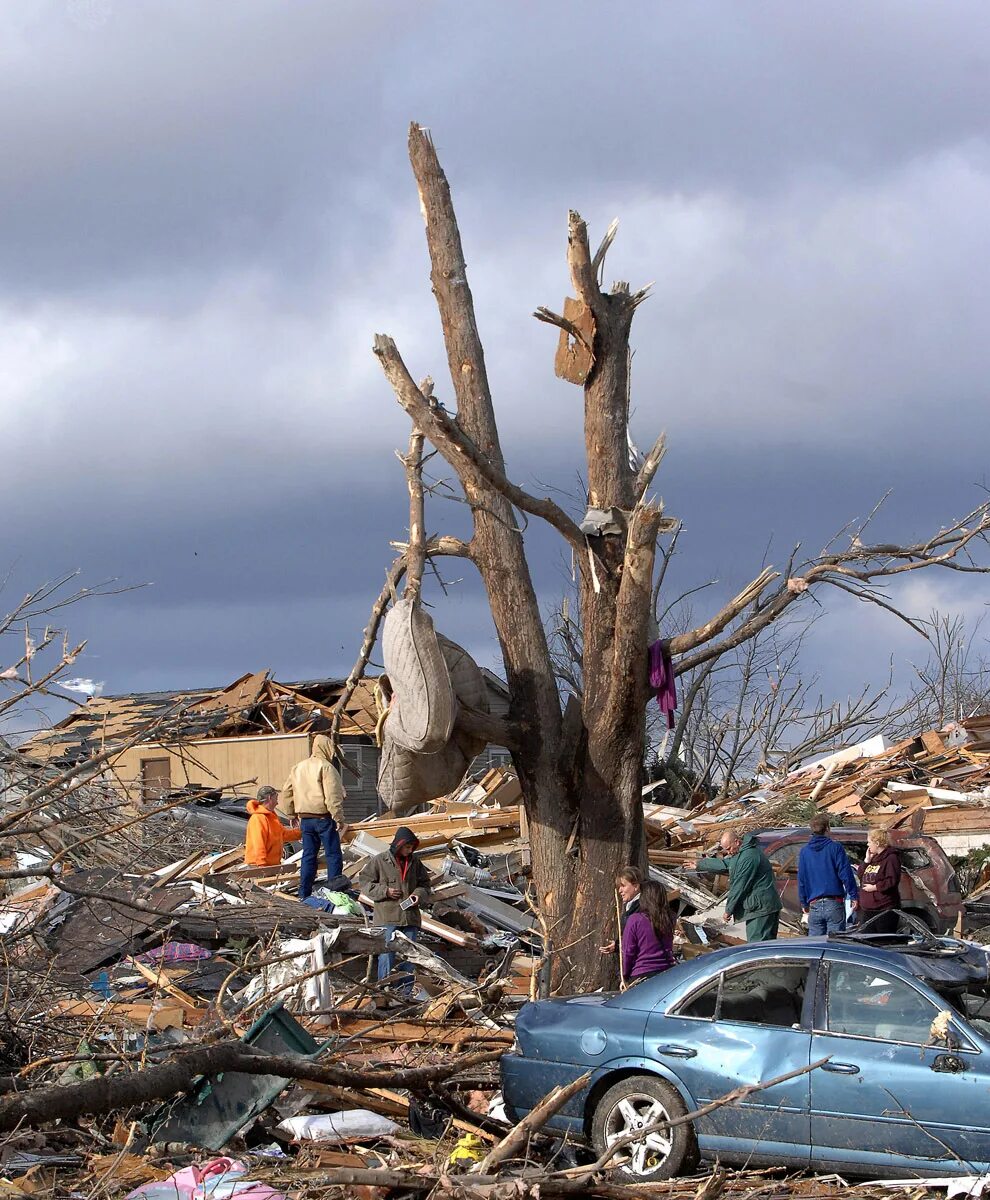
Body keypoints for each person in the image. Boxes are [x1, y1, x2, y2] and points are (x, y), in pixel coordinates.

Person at [277, 734, 348, 900]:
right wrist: (338, 817)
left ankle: (304, 893)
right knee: (333, 855)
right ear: (327, 748)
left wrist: (291, 813)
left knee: (308, 856)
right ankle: (335, 893)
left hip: (305, 820)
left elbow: (286, 791)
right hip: (323, 818)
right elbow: (332, 796)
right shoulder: (326, 767)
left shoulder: (298, 767)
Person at [363, 826, 431, 994]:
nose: (409, 851)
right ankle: (384, 989)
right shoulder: (379, 861)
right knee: (387, 953)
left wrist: (417, 895)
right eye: (407, 847)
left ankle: (405, 991)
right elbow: (365, 883)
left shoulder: (415, 862)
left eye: (411, 848)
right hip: (387, 917)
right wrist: (385, 891)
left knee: (409, 956)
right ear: (399, 845)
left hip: (410, 918)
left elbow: (425, 884)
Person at [688, 830, 783, 942]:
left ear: (737, 842)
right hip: (763, 907)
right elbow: (726, 864)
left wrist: (728, 910)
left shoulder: (748, 857)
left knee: (757, 947)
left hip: (760, 909)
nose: (728, 852)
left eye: (729, 848)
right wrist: (700, 864)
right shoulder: (743, 854)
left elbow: (740, 885)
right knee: (766, 947)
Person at [798, 815, 859, 935]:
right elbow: (845, 873)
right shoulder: (835, 848)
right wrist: (853, 895)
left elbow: (802, 879)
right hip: (834, 903)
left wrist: (803, 902)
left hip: (814, 903)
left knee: (816, 946)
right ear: (827, 828)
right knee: (835, 944)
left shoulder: (805, 852)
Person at [621, 879, 675, 986]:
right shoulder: (670, 918)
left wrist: (625, 976)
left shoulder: (635, 920)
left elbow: (628, 951)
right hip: (668, 973)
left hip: (642, 974)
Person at [244, 785, 301, 867]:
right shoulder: (258, 818)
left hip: (270, 865)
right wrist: (261, 865)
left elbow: (283, 834)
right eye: (276, 798)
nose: (277, 802)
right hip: (257, 866)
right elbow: (258, 843)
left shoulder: (271, 817)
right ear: (270, 798)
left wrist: (302, 832)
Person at [857, 828, 901, 934]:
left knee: (882, 940)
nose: (868, 845)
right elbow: (860, 875)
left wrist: (875, 887)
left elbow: (892, 880)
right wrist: (866, 861)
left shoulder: (891, 858)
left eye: (869, 842)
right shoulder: (872, 859)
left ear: (877, 843)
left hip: (883, 909)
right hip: (867, 909)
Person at [598, 866, 642, 956]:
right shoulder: (630, 906)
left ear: (636, 886)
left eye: (623, 886)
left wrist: (622, 946)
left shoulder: (642, 907)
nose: (620, 890)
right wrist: (618, 945)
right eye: (619, 887)